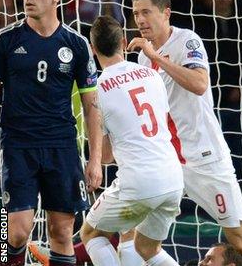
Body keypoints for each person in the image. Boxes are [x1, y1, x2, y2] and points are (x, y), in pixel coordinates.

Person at [126, 0, 242, 266]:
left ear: (166, 13)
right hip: (169, 160)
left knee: (241, 239)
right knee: (142, 243)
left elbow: (199, 84)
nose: (140, 19)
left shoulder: (186, 41)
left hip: (204, 157)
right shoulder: (143, 57)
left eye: (146, 12)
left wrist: (157, 57)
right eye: (136, 14)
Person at [0, 0, 102, 266]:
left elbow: (92, 106)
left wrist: (94, 159)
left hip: (62, 147)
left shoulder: (76, 44)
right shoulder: (5, 40)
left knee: (62, 231)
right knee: (15, 231)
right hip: (18, 145)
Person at [77, 15, 184, 266]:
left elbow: (105, 157)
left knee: (91, 233)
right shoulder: (152, 75)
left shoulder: (98, 90)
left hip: (139, 181)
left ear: (93, 50)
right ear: (124, 42)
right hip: (172, 177)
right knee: (147, 248)